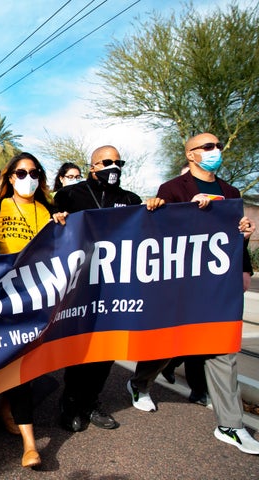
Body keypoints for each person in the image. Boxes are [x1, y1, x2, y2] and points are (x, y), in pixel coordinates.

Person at [127, 132, 259, 455]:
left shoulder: (231, 192)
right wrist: (168, 209)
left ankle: (230, 425)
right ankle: (140, 382)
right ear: (191, 155)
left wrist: (244, 252)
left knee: (221, 348)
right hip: (180, 285)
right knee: (170, 345)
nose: (216, 151)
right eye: (208, 147)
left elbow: (233, 237)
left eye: (217, 146)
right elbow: (157, 235)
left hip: (217, 287)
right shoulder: (172, 190)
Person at [54, 145, 164, 433]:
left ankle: (91, 403)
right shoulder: (69, 195)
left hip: (115, 286)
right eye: (106, 162)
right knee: (79, 347)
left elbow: (147, 233)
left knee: (106, 348)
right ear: (92, 166)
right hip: (80, 283)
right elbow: (54, 234)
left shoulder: (130, 199)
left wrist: (154, 210)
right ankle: (71, 402)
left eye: (118, 162)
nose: (113, 167)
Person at [0, 152, 66, 469]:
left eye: (34, 173)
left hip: (37, 296)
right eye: (20, 173)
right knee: (8, 363)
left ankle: (28, 441)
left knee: (27, 365)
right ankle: (23, 432)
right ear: (9, 178)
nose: (28, 178)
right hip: (2, 297)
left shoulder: (48, 210)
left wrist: (63, 226)